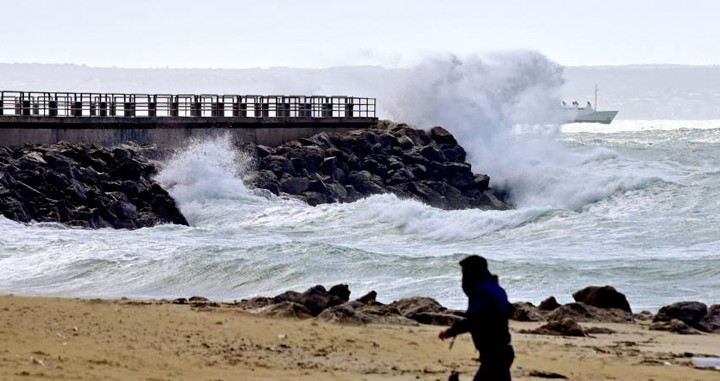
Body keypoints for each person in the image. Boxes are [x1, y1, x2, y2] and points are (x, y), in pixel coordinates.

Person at [439, 255, 514, 381]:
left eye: (464, 273)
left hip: (494, 354)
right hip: (501, 351)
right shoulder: (494, 289)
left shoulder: (484, 294)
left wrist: (450, 332)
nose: (463, 279)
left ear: (473, 273)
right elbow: (508, 310)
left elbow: (474, 321)